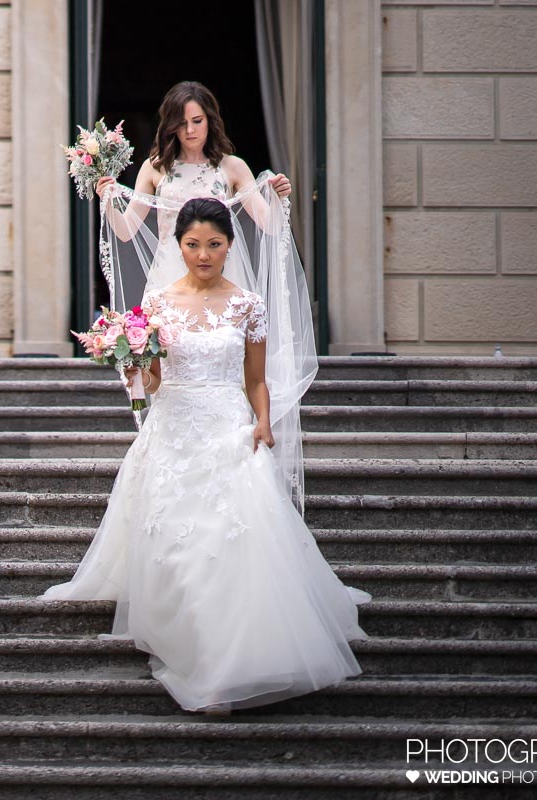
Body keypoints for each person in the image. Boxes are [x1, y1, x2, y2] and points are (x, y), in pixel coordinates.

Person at [45, 198, 370, 714]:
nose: (203, 254)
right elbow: (152, 380)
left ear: (229, 246)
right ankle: (197, 648)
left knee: (233, 537)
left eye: (213, 244)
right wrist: (132, 365)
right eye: (193, 244)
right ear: (179, 246)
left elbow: (256, 379)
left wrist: (263, 422)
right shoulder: (156, 303)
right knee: (180, 547)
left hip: (228, 428)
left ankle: (236, 658)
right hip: (173, 430)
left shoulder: (247, 305)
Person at [93, 80, 290, 399]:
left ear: (210, 121)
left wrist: (279, 198)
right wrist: (108, 201)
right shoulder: (156, 168)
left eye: (197, 121)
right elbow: (127, 229)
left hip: (220, 273)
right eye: (181, 123)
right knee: (167, 367)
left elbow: (267, 223)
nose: (190, 130)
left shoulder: (232, 166)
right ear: (170, 126)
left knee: (223, 360)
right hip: (169, 276)